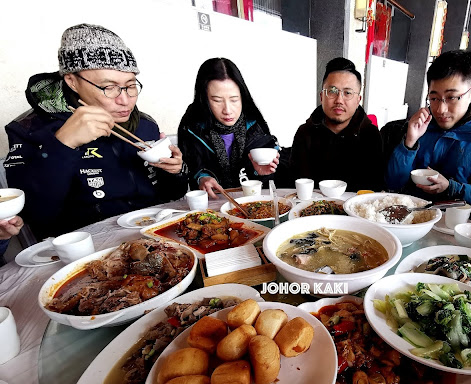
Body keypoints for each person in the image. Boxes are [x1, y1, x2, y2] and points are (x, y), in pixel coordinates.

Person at [4, 24, 187, 240]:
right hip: (83, 249)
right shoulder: (30, 129)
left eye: (130, 85)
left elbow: (172, 196)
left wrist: (176, 172)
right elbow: (36, 217)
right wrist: (63, 144)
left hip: (154, 235)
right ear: (72, 81)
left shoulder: (145, 124)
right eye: (108, 87)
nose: (124, 100)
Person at [386, 50, 471, 205]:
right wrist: (409, 143)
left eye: (451, 97)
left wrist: (452, 188)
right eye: (434, 98)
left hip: (460, 224)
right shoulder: (420, 124)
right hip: (412, 216)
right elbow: (394, 185)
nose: (440, 109)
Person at [178, 58, 279, 198]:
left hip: (252, 205)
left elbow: (271, 186)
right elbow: (191, 166)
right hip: (211, 209)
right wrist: (202, 178)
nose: (227, 110)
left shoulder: (255, 126)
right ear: (204, 99)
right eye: (217, 100)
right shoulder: (192, 127)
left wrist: (260, 173)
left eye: (234, 99)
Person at [288, 57, 385, 192]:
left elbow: (373, 188)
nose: (339, 100)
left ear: (358, 100)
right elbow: (296, 184)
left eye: (347, 93)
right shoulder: (305, 133)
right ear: (322, 96)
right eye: (332, 91)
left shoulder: (370, 135)